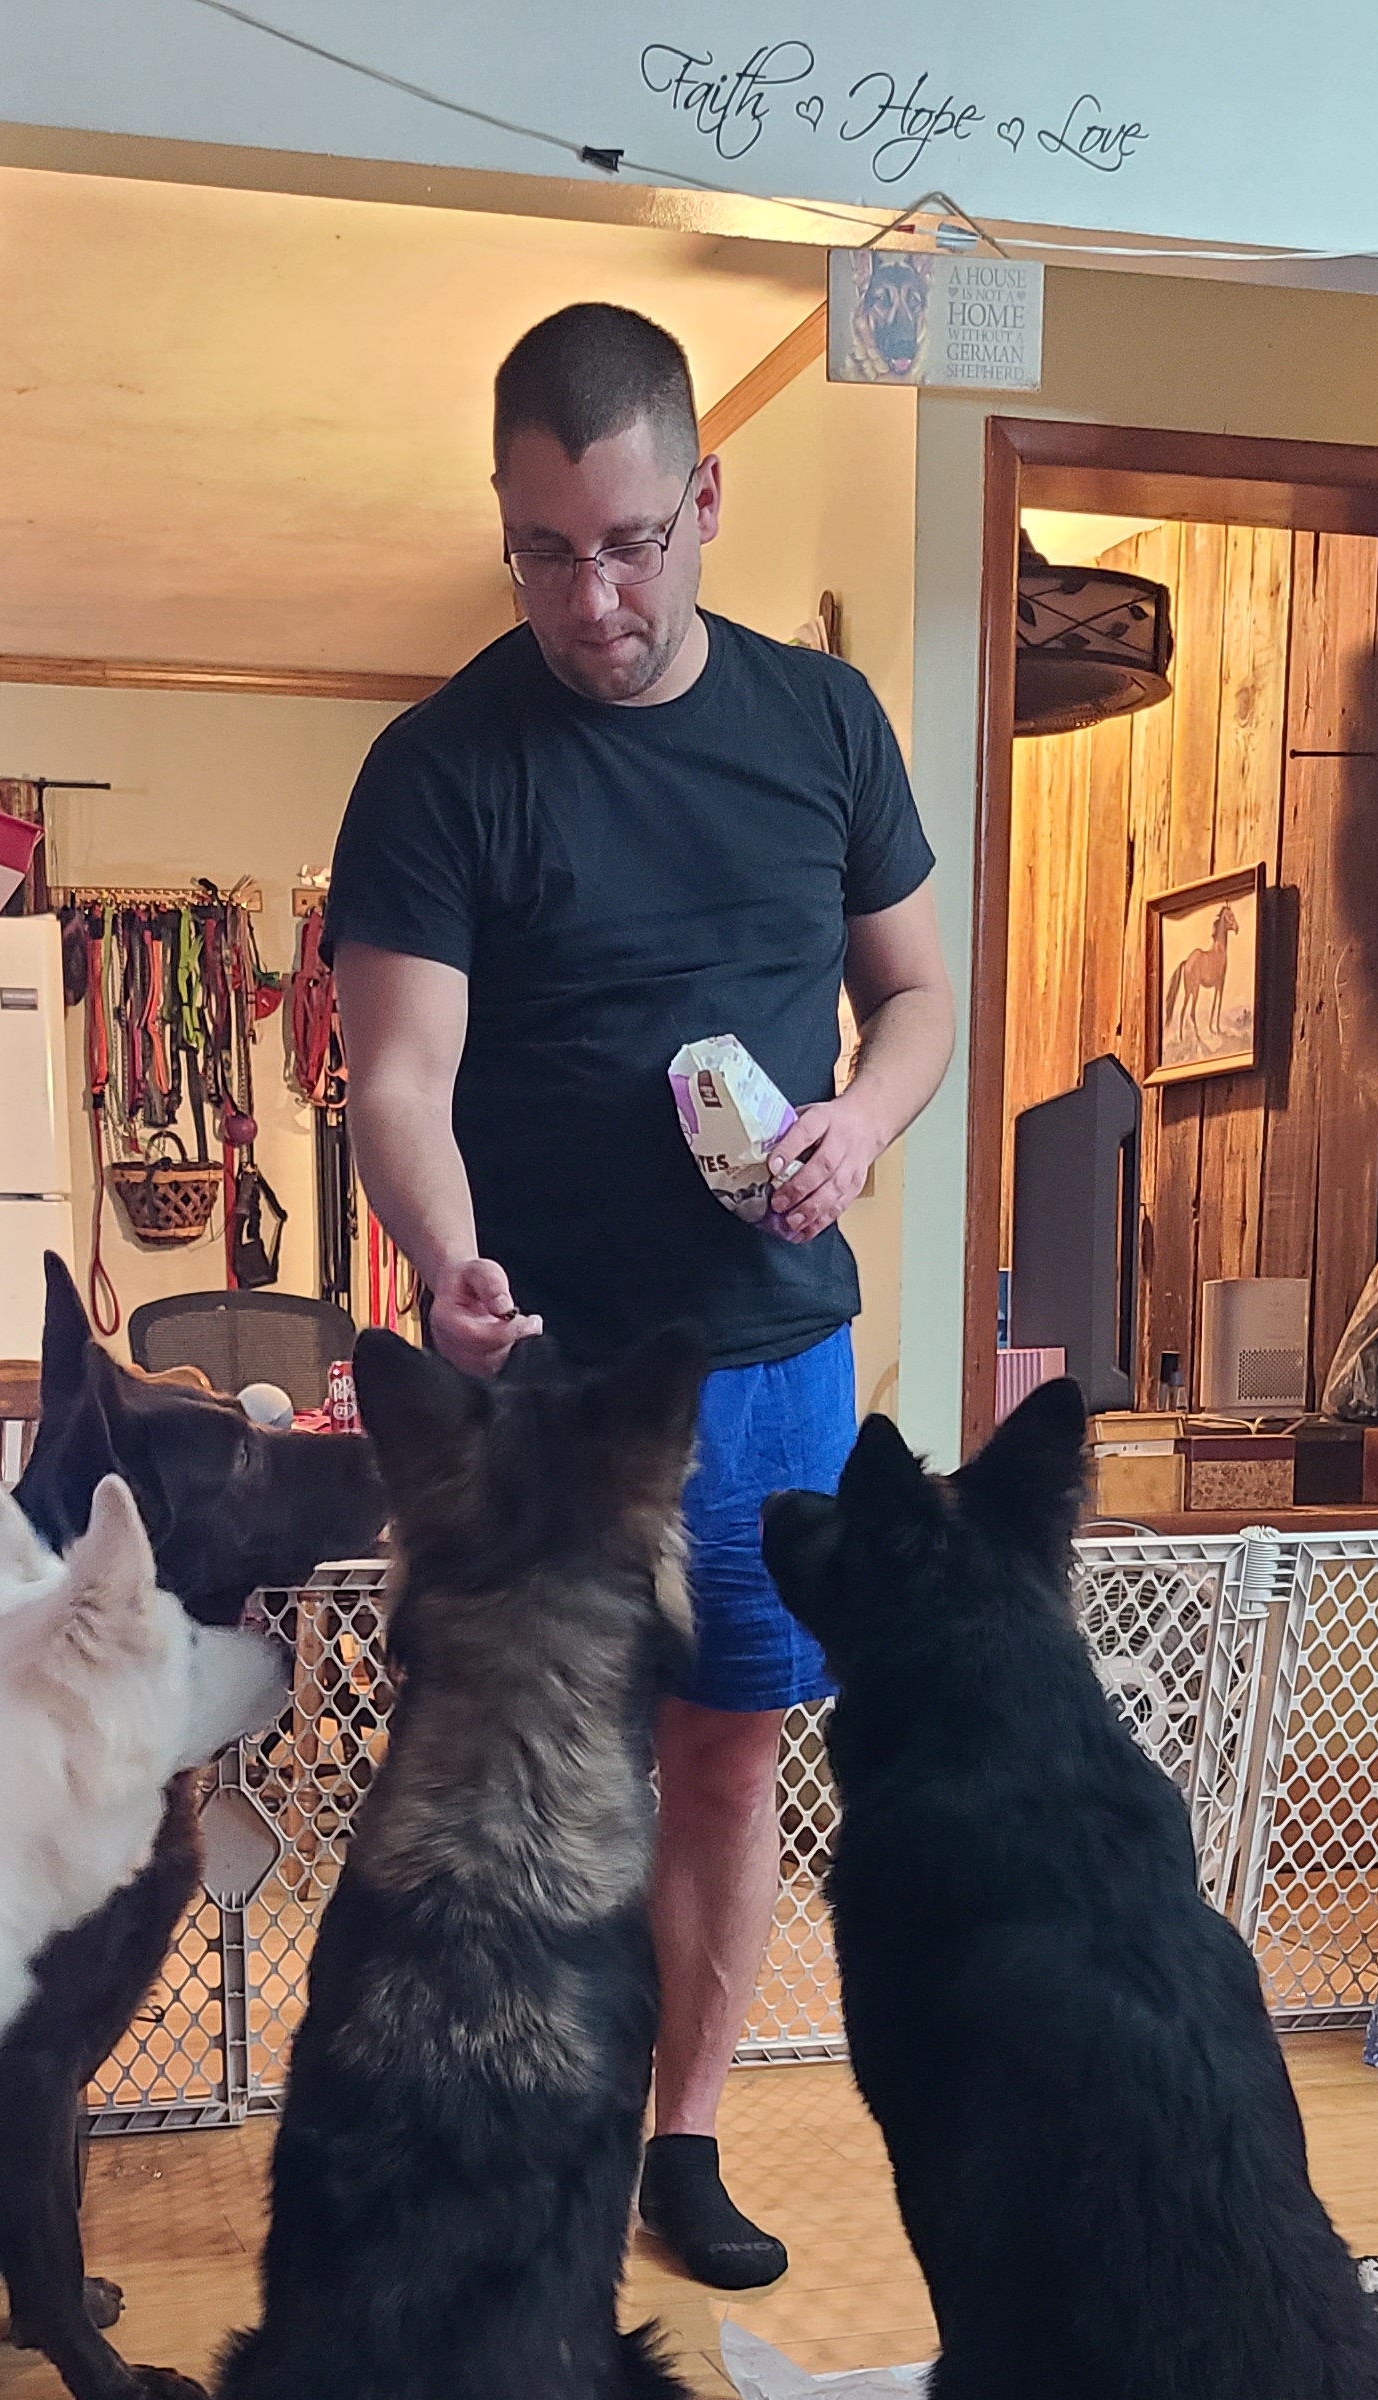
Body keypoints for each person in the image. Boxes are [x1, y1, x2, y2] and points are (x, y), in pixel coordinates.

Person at [325, 302, 953, 2288]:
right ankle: (535, 2134)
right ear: (503, 524)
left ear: (706, 499)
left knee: (729, 1754)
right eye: (544, 551)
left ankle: (679, 2137)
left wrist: (863, 1123)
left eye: (629, 543)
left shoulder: (825, 724)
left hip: (769, 1362)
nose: (592, 600)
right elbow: (398, 1080)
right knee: (513, 1760)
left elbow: (919, 995)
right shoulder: (437, 767)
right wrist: (447, 1259)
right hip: (546, 1375)